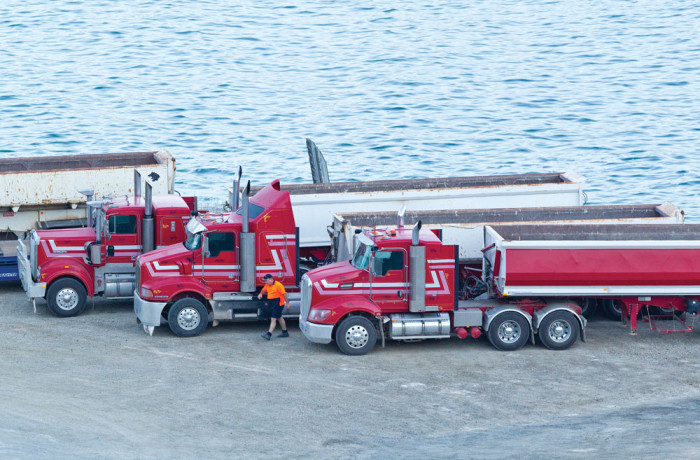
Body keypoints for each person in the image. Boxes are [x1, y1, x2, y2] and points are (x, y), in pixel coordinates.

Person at [258, 274, 289, 340]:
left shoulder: (278, 285)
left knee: (273, 319)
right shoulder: (267, 285)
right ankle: (285, 332)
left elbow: (284, 294)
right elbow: (263, 290)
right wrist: (260, 294)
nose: (265, 282)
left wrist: (288, 303)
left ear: (270, 279)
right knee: (279, 317)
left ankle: (269, 334)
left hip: (278, 304)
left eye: (266, 280)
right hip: (273, 304)